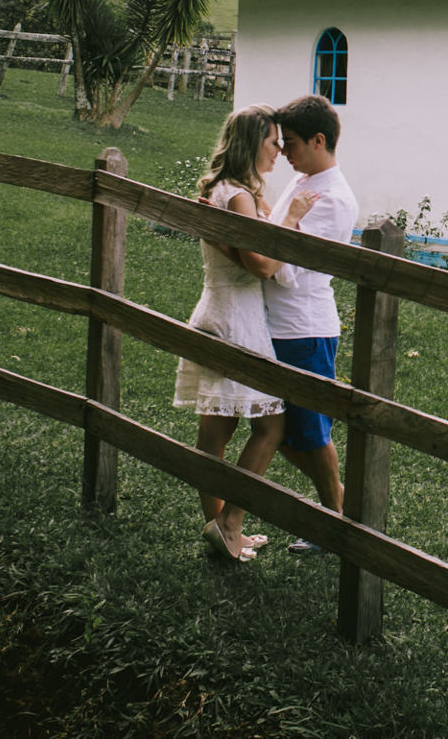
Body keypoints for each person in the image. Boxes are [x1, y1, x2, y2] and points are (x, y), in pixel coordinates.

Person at [171, 104, 303, 562]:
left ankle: (221, 528)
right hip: (235, 320)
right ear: (252, 143)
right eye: (273, 141)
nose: (280, 149)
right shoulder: (239, 197)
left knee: (215, 433)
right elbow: (262, 266)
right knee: (270, 426)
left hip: (214, 309)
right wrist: (289, 222)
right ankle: (231, 523)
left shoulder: (220, 189)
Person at [262, 94, 359, 556]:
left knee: (310, 432)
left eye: (293, 143)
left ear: (319, 141)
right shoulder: (303, 181)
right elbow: (276, 232)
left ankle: (336, 517)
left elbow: (286, 269)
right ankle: (336, 511)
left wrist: (264, 243)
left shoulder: (333, 199)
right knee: (273, 429)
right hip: (275, 322)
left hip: (304, 326)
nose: (284, 152)